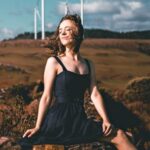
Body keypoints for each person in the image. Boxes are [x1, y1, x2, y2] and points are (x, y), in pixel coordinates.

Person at [18, 14, 137, 150]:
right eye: (61, 29)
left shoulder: (88, 64)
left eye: (68, 29)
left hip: (79, 118)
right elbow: (46, 96)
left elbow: (94, 94)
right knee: (121, 135)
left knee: (121, 135)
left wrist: (106, 120)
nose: (62, 32)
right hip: (59, 120)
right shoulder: (54, 62)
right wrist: (38, 126)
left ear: (78, 33)